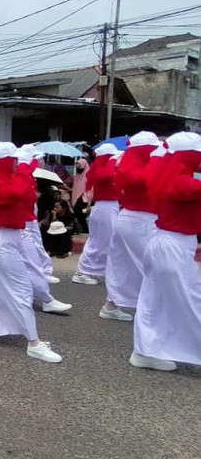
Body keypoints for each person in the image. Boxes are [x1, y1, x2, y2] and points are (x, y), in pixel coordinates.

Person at [0, 142, 62, 363]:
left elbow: (27, 196)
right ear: (6, 161)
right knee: (22, 290)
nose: (18, 163)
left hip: (9, 240)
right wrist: (26, 167)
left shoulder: (5, 179)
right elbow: (17, 193)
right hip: (3, 241)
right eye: (14, 160)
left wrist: (25, 169)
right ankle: (34, 343)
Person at [132, 132, 201, 371]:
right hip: (173, 245)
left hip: (164, 242)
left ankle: (146, 351)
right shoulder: (181, 181)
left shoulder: (167, 175)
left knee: (154, 301)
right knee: (190, 300)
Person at [101, 132, 161, 322]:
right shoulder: (138, 168)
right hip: (141, 220)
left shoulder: (126, 164)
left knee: (122, 264)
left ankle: (111, 305)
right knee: (152, 267)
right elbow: (145, 180)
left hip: (128, 218)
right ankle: (155, 313)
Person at [16, 146, 72, 314]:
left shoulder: (21, 175)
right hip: (17, 226)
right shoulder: (15, 176)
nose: (39, 162)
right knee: (29, 263)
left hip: (21, 223)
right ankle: (45, 298)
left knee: (8, 273)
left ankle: (32, 294)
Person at [72, 144, 120, 285]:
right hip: (105, 208)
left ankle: (98, 270)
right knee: (98, 242)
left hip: (107, 207)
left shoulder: (103, 168)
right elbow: (107, 176)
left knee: (104, 241)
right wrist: (113, 162)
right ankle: (81, 271)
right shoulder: (102, 170)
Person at [71, 158, 90, 233]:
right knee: (77, 216)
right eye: (77, 167)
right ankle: (82, 231)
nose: (78, 169)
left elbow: (90, 189)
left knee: (81, 217)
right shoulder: (77, 176)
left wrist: (89, 202)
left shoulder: (88, 175)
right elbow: (76, 187)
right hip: (76, 198)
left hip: (84, 199)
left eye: (80, 167)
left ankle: (85, 231)